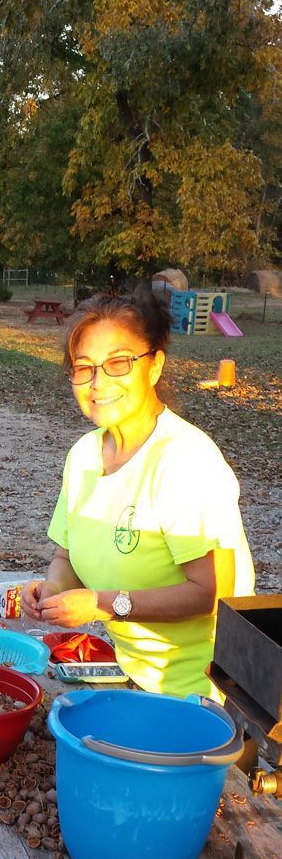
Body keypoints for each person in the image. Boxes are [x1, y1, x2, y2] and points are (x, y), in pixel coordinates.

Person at [21, 288, 255, 697]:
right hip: (126, 671)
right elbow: (66, 556)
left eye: (118, 363)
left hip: (198, 690)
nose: (98, 383)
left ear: (154, 366)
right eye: (84, 368)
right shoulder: (83, 456)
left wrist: (101, 605)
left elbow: (208, 594)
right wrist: (53, 592)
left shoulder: (184, 460)